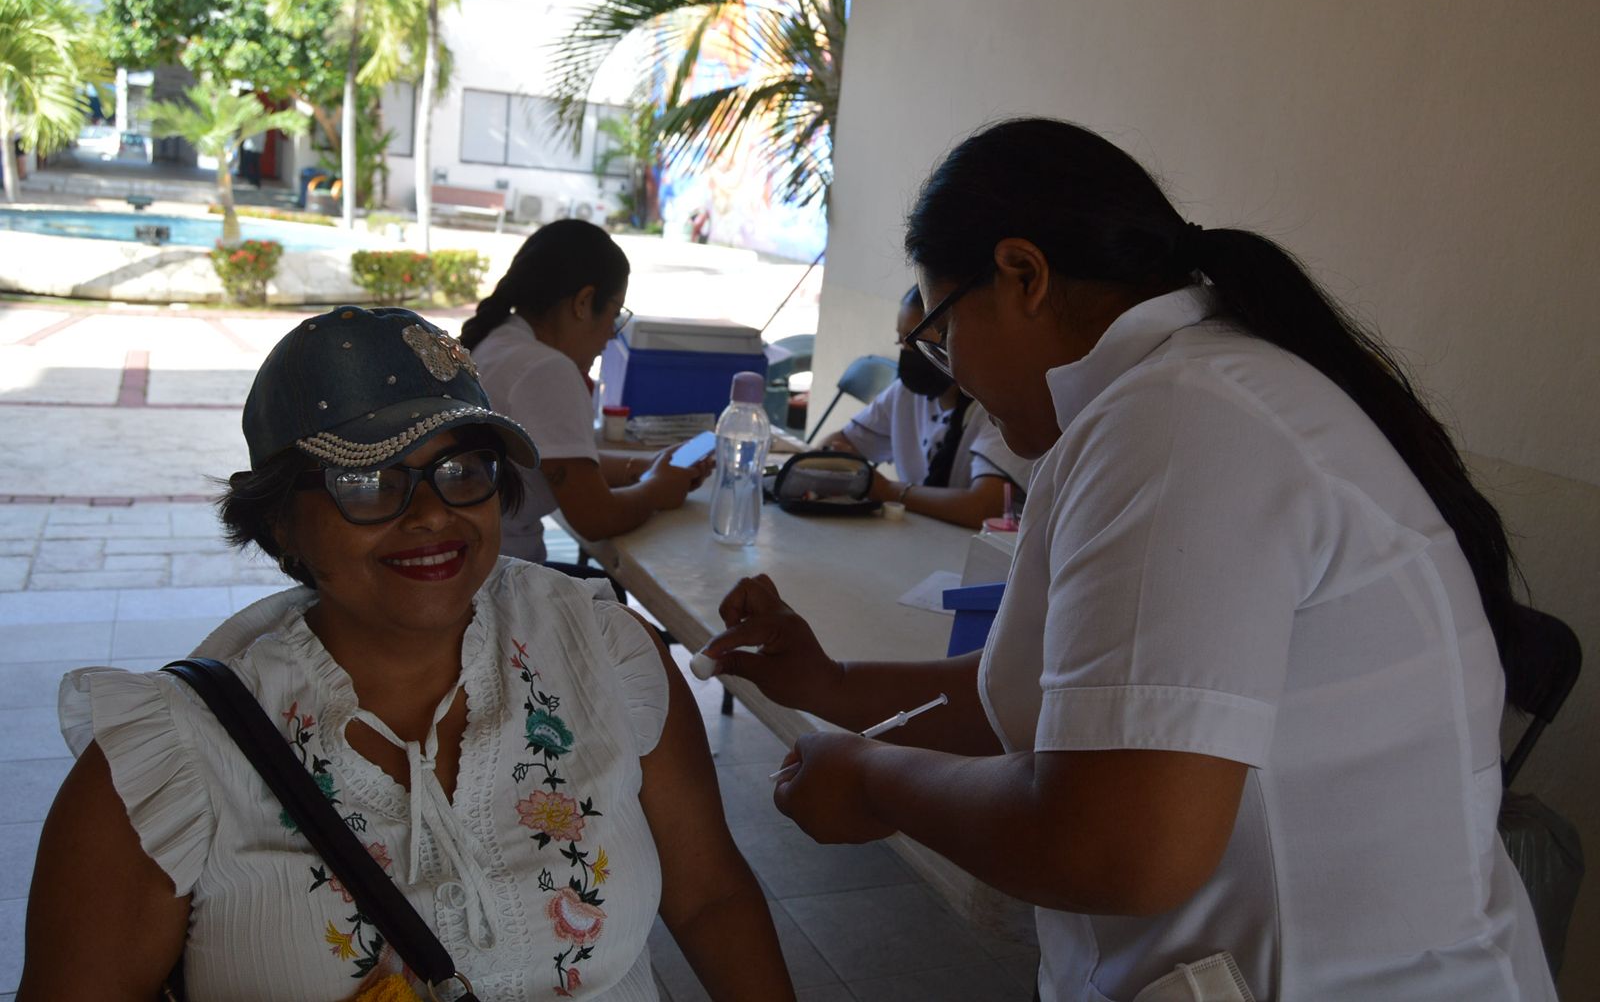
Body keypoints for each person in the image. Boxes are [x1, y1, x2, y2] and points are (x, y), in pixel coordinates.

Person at [698, 119, 1556, 1001]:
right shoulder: (1186, 395)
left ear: (1023, 276)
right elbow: (1082, 704)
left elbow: (1119, 847)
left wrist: (875, 781)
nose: (951, 375)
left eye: (943, 337)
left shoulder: (1179, 420)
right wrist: (832, 683)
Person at [22, 306, 793, 1001]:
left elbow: (709, 896)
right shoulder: (167, 764)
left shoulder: (603, 653)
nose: (430, 514)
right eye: (367, 479)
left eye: (461, 471)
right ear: (282, 520)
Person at [461, 220, 710, 565]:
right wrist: (658, 490)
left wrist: (647, 466)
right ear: (583, 302)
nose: (611, 334)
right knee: (612, 602)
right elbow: (597, 518)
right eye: (615, 313)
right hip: (495, 583)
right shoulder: (547, 369)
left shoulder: (500, 340)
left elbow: (561, 459)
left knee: (603, 593)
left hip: (478, 568)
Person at [818, 285, 1033, 528]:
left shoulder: (996, 406)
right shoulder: (906, 393)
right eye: (901, 343)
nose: (907, 354)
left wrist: (887, 490)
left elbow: (983, 506)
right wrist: (836, 455)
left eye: (915, 342)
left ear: (954, 338)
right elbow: (839, 441)